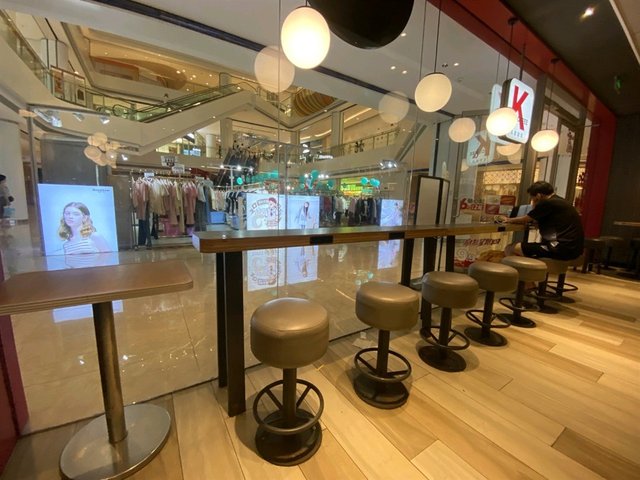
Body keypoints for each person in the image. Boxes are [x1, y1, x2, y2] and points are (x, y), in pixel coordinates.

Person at [500, 181, 584, 260]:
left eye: (532, 198)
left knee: (510, 248)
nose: (532, 201)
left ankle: (521, 270)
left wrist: (508, 220)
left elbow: (526, 219)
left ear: (538, 196)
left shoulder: (547, 203)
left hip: (560, 249)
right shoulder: (560, 201)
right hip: (573, 250)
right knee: (524, 249)